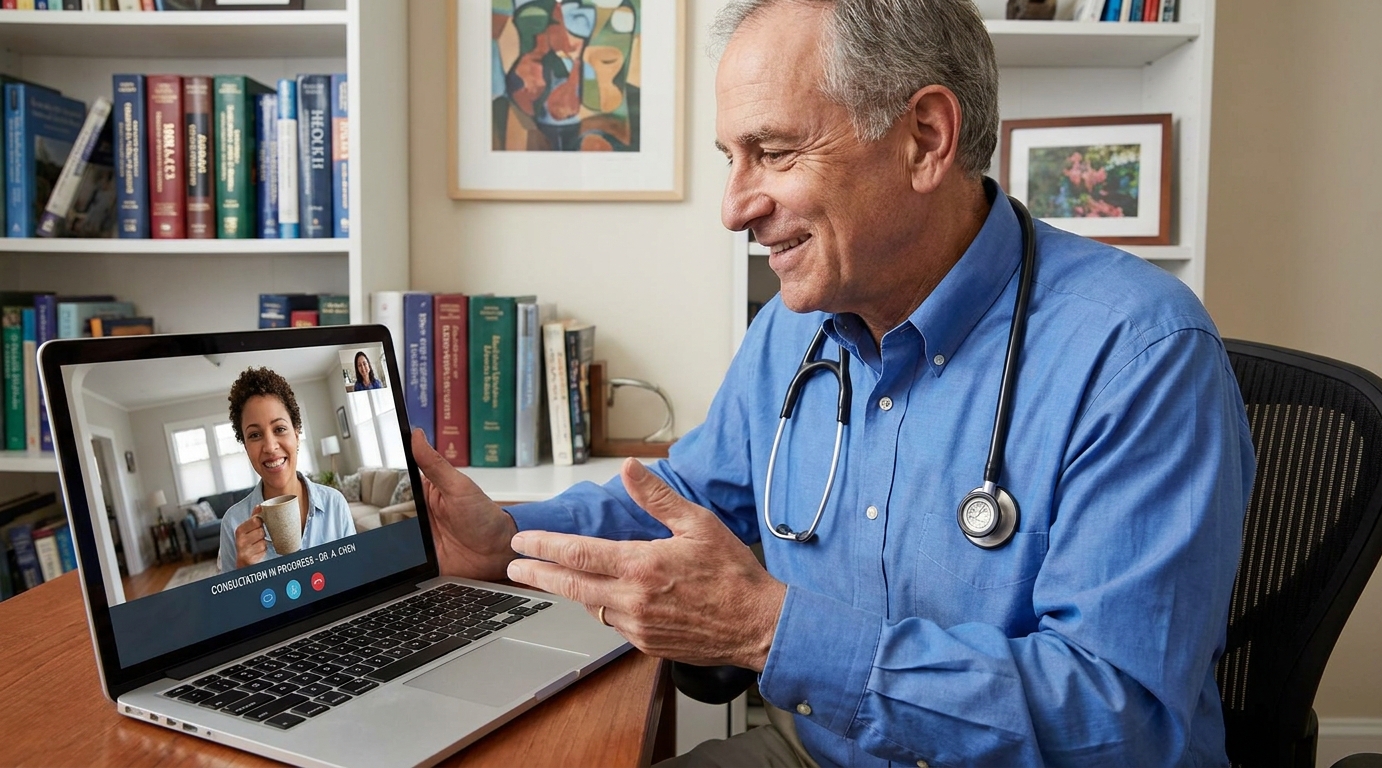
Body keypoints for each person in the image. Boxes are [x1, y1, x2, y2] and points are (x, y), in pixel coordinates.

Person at [411, 1, 1256, 765]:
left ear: (925, 138)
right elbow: (688, 497)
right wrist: (506, 540)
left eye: (773, 152)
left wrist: (770, 631)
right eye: (731, 158)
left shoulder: (1139, 354)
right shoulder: (795, 325)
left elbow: (1123, 720)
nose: (735, 206)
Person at [218, 367, 356, 574]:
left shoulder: (335, 504)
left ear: (297, 434)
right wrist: (242, 574)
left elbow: (356, 577)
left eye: (280, 429)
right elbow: (230, 605)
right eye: (255, 435)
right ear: (246, 447)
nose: (270, 446)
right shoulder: (233, 523)